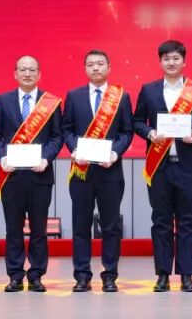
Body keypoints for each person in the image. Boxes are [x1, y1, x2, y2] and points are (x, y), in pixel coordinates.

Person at [132, 40, 192, 293]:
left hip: (188, 166)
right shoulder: (149, 90)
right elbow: (137, 121)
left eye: (176, 58)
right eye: (166, 58)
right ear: (160, 62)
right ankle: (163, 275)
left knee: (187, 221)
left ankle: (187, 275)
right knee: (161, 221)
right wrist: (150, 133)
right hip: (159, 166)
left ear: (184, 62)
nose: (171, 62)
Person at [0, 56, 64, 293]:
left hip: (40, 174)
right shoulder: (3, 101)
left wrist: (46, 158)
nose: (27, 73)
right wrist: (3, 157)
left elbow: (57, 136)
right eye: (23, 69)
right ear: (15, 74)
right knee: (13, 228)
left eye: (32, 70)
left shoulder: (50, 102)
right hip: (11, 175)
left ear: (39, 74)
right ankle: (15, 275)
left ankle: (36, 275)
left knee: (39, 229)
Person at [62, 49, 134, 292]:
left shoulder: (121, 97)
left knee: (111, 226)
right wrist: (75, 149)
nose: (95, 68)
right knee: (81, 225)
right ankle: (82, 276)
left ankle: (110, 275)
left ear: (109, 67)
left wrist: (115, 153)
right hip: (81, 171)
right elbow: (66, 129)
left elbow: (127, 132)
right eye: (91, 64)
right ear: (85, 69)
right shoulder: (74, 96)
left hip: (110, 171)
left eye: (100, 64)